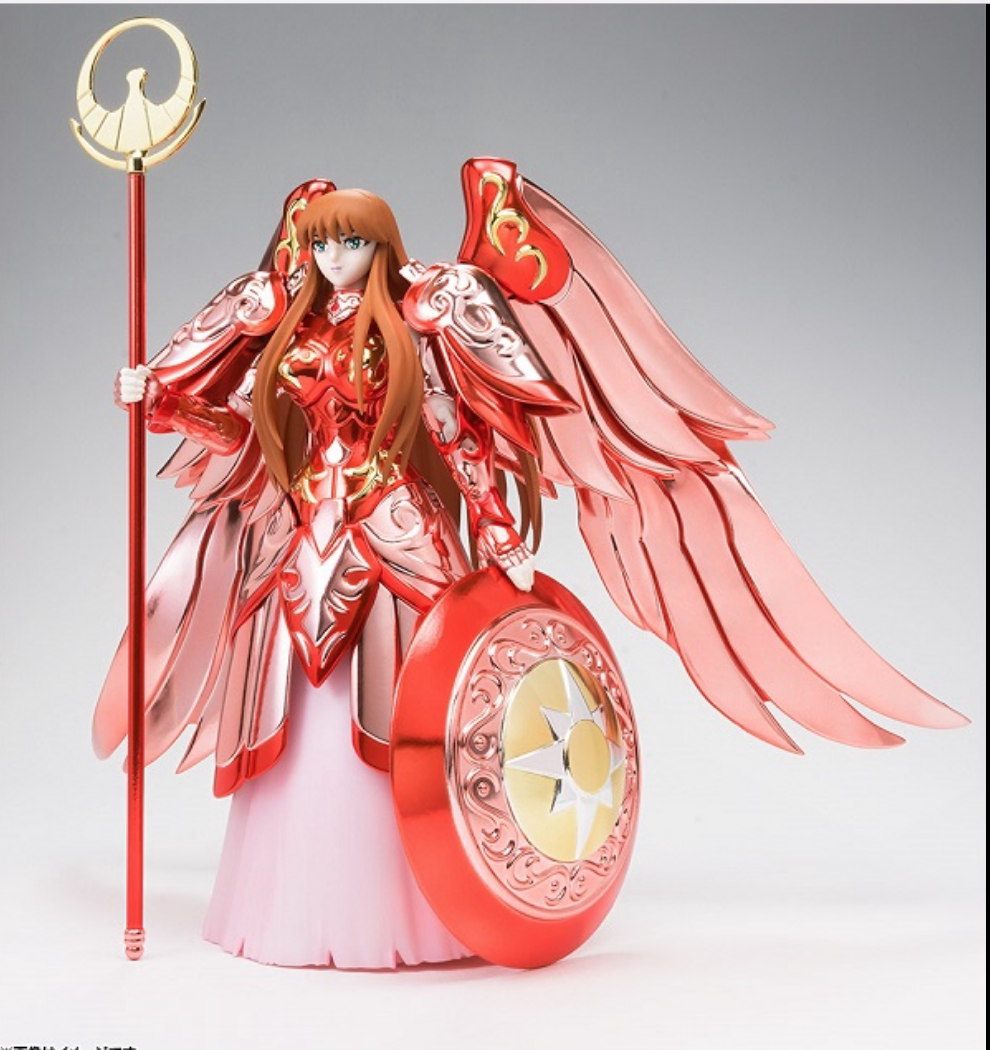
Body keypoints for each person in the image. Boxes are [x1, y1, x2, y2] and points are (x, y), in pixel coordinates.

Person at [103, 183, 538, 968]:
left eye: (352, 243)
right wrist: (163, 401)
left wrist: (498, 527)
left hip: (394, 528)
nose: (334, 258)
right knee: (297, 705)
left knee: (416, 698)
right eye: (320, 244)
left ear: (381, 247)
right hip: (308, 530)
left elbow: (452, 429)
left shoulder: (412, 323)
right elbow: (242, 431)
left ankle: (424, 901)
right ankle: (298, 905)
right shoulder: (289, 331)